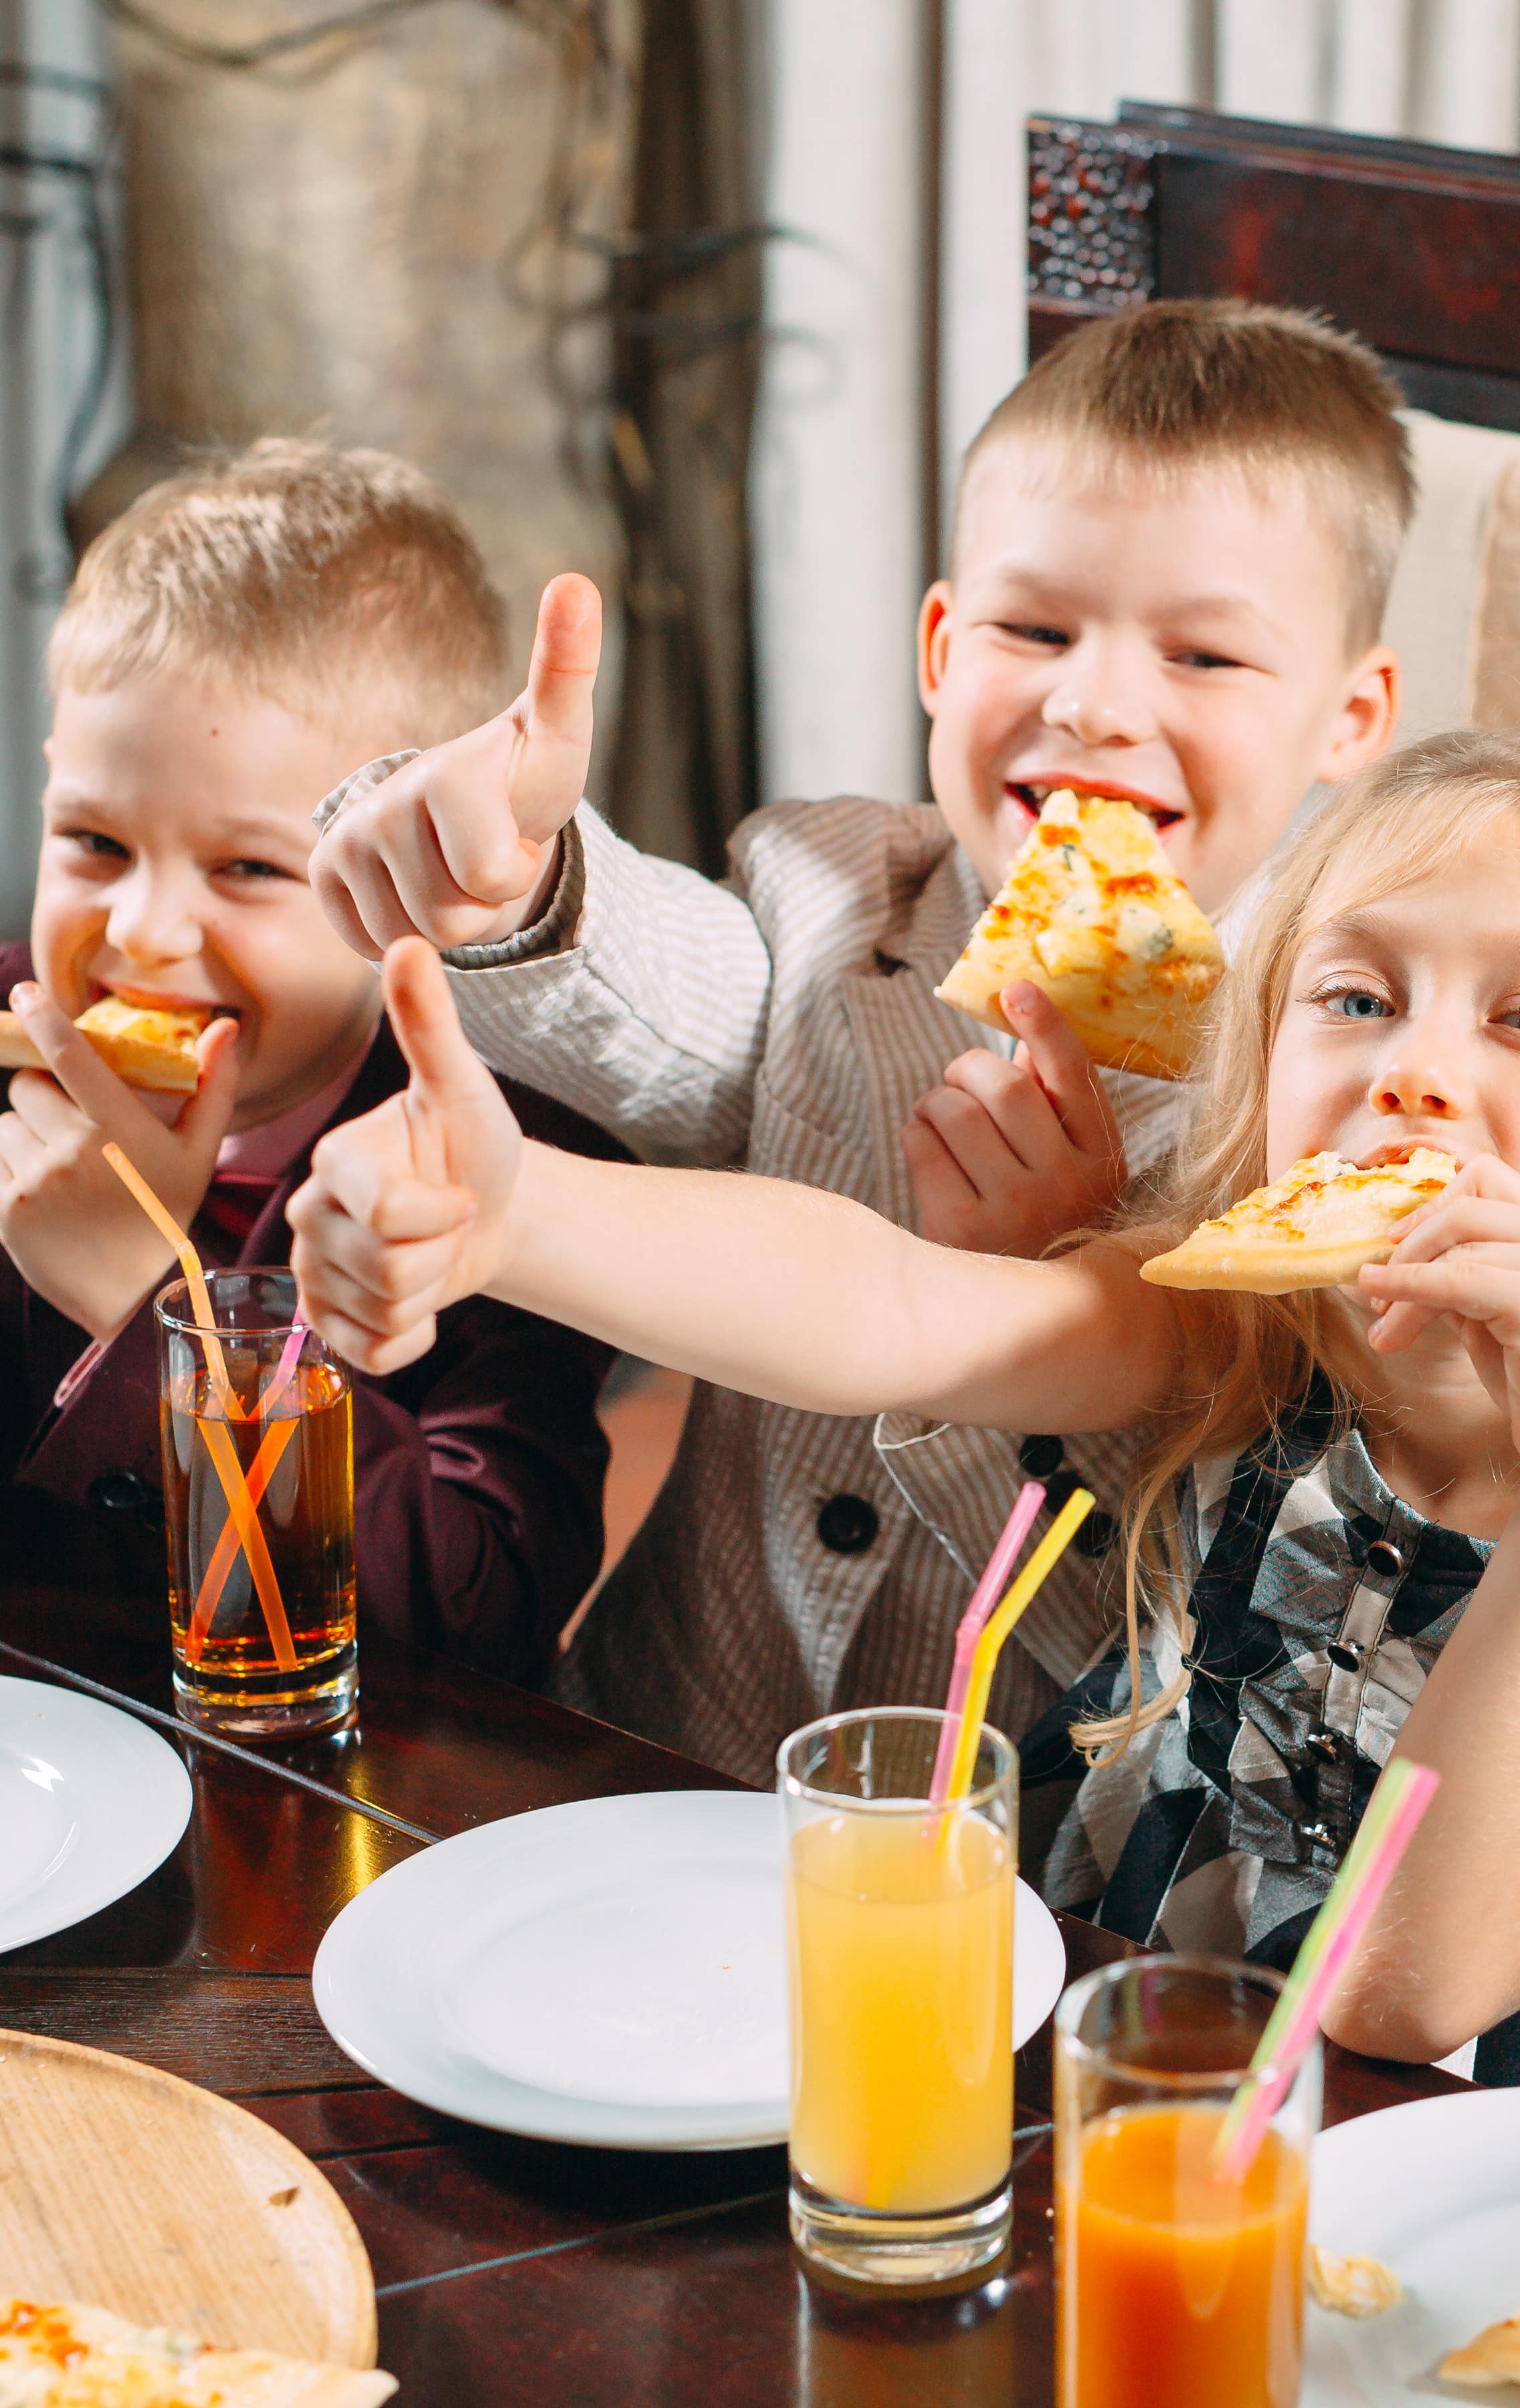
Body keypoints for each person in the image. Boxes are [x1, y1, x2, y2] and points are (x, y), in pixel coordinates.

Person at [289, 728, 1520, 2083]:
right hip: (1111, 2060)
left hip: (1488, 2202)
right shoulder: (1236, 1336)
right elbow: (893, 1309)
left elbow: (1410, 1985)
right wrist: (522, 1216)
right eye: (1356, 998)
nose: (1416, 1075)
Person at [303, 300, 1412, 1778]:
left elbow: (1220, 1612)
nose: (1093, 702)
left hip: (1016, 1871)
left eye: (1205, 658)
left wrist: (1050, 1288)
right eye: (1034, 629)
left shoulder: (1330, 1088)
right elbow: (665, 1003)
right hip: (651, 1743)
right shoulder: (834, 888)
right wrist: (508, 875)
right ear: (942, 648)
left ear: (1351, 719)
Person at [1, 440, 618, 1686]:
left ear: (398, 886)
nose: (142, 934)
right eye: (94, 842)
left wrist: (154, 1313)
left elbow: (477, 1612)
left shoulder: (503, 1159)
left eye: (248, 868)